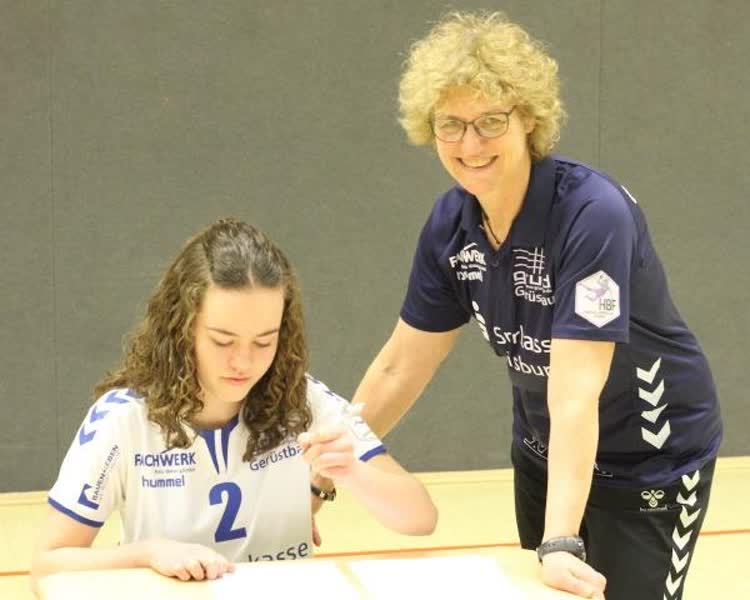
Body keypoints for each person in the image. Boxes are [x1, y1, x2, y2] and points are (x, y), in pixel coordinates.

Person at [350, 11, 722, 600]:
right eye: (451, 125)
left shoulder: (592, 215)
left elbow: (576, 391)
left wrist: (560, 540)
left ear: (527, 118)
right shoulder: (452, 225)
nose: (470, 144)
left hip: (648, 456)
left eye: (490, 121)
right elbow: (401, 366)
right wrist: (322, 472)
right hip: (545, 454)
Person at [30, 218, 437, 591]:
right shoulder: (123, 419)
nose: (243, 362)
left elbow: (420, 518)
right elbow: (47, 566)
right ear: (181, 326)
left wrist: (352, 473)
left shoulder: (304, 401)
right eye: (222, 341)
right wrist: (148, 554)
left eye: (264, 341)